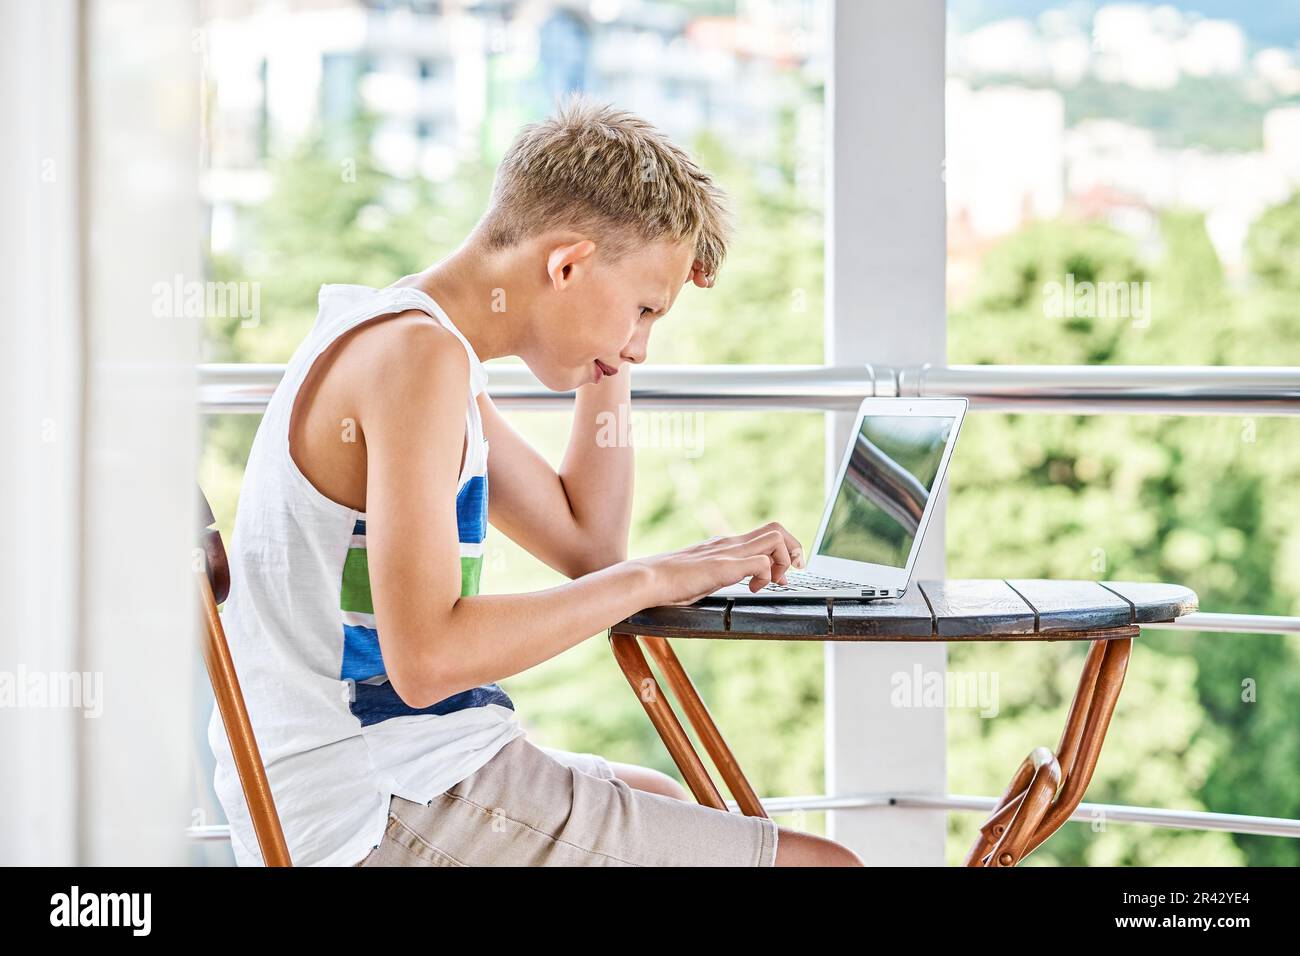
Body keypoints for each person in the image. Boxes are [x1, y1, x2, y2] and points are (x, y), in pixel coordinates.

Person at [208, 95, 863, 868]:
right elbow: (427, 662)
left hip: (400, 773)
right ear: (566, 265)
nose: (643, 345)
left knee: (659, 795)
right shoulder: (419, 361)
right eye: (646, 309)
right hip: (378, 803)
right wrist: (656, 574)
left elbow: (588, 542)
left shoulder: (416, 341)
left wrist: (609, 350)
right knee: (829, 867)